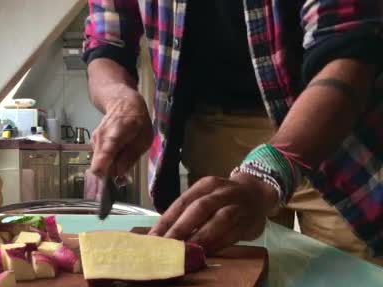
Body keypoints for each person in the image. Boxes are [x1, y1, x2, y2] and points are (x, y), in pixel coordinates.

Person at [82, 0, 383, 264]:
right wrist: (120, 99)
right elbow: (106, 42)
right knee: (224, 286)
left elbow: (349, 46)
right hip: (214, 134)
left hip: (335, 133)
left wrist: (272, 168)